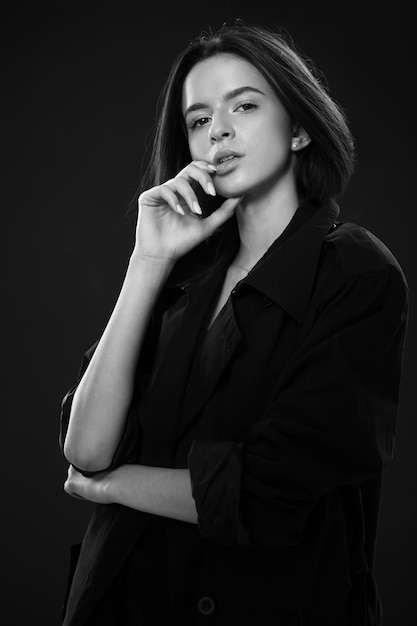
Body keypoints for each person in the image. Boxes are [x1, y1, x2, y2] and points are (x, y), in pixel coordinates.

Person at [60, 19, 408, 626]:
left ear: (299, 128)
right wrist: (147, 261)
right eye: (198, 120)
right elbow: (86, 447)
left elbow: (268, 492)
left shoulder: (356, 271)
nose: (217, 129)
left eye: (243, 105)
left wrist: (113, 488)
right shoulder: (180, 274)